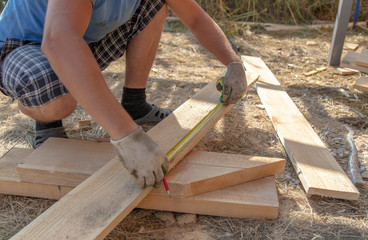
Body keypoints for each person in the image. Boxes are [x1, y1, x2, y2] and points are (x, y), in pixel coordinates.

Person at [0, 0, 246, 188]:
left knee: (155, 4)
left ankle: (135, 104)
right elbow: (59, 41)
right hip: (24, 45)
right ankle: (47, 124)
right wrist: (127, 137)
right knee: (59, 101)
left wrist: (233, 63)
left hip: (80, 37)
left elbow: (195, 18)